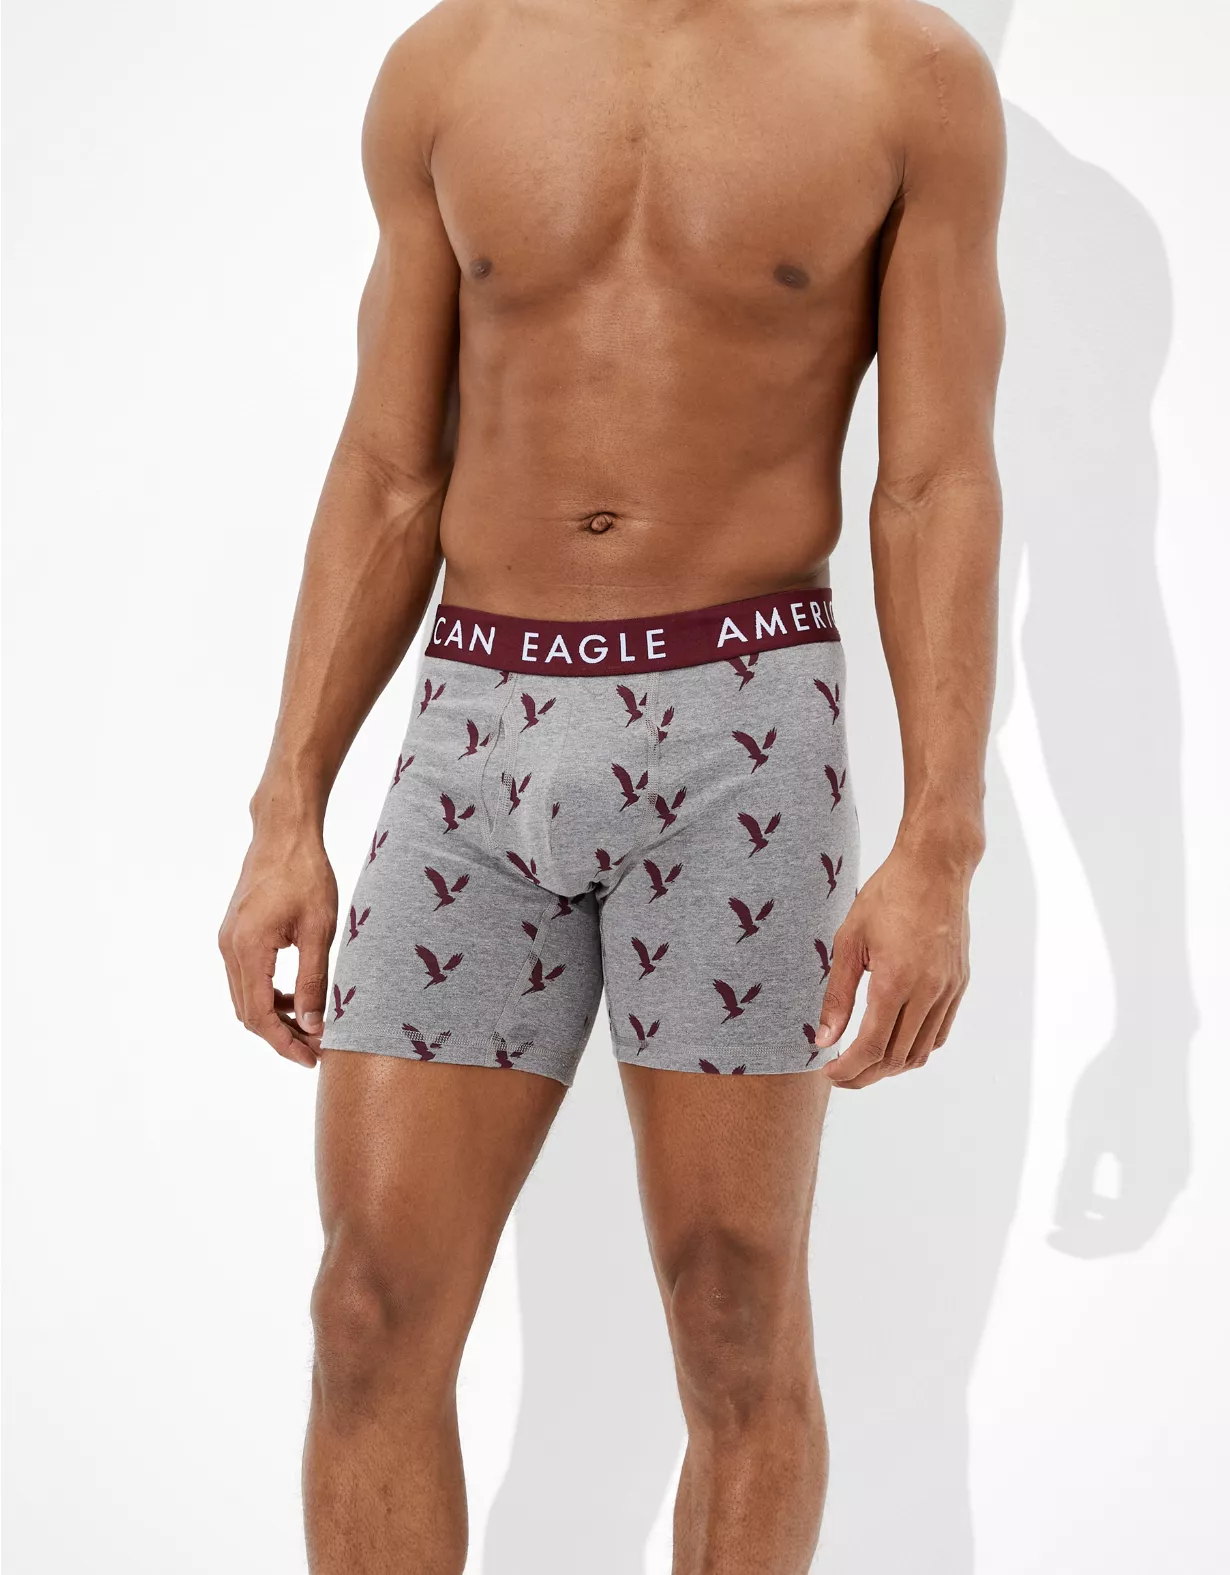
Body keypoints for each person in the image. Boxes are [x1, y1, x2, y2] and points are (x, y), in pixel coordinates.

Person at [218, 0, 1005, 1566]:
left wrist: (941, 842)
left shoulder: (900, 72)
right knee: (367, 1303)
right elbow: (387, 466)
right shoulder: (452, 61)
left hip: (740, 724)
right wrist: (284, 809)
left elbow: (933, 481)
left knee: (730, 1308)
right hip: (475, 716)